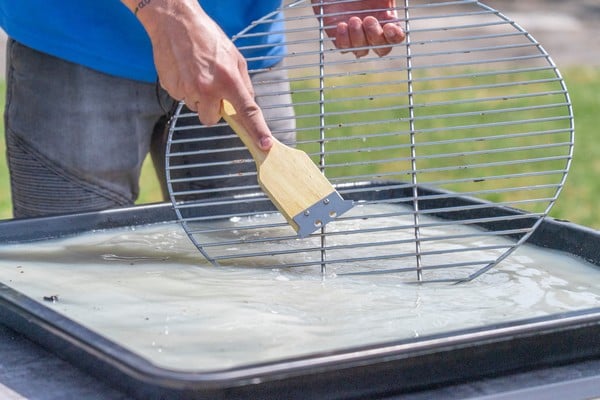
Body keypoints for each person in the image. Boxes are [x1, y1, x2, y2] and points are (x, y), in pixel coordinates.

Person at [0, 0, 405, 218]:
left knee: (254, 287)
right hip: (74, 40)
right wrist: (168, 11)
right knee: (72, 282)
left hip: (243, 48)